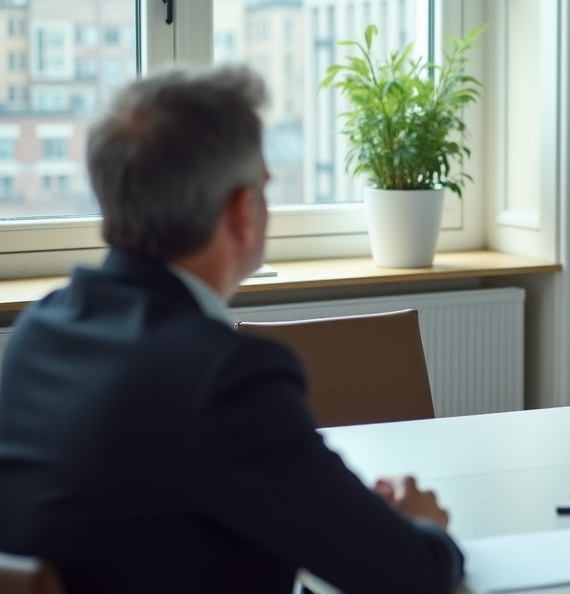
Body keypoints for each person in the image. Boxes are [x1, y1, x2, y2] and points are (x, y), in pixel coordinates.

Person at [0, 68, 464, 593]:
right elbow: (407, 573)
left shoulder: (40, 331)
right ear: (244, 213)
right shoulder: (221, 377)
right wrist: (424, 524)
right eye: (264, 188)